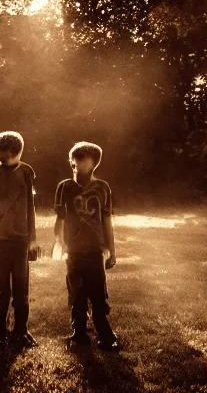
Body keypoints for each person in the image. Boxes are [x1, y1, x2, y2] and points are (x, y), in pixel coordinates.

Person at [53, 141, 119, 351]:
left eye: (81, 158)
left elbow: (107, 220)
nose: (75, 162)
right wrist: (58, 241)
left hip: (95, 250)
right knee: (77, 293)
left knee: (99, 294)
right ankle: (79, 334)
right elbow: (60, 218)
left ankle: (105, 334)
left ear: (93, 164)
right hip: (73, 251)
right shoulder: (65, 187)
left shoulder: (103, 188)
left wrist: (112, 249)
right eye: (73, 158)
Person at [0, 130, 40, 348]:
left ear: (17, 153)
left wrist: (33, 240)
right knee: (1, 291)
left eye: (5, 157)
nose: (1, 161)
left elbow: (31, 209)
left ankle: (21, 332)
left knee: (21, 289)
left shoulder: (26, 173)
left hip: (20, 242)